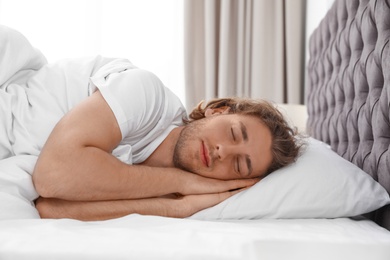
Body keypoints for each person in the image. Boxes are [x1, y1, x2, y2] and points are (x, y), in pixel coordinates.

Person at [1, 26, 301, 221]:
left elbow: (50, 208)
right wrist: (183, 183)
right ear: (217, 110)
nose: (224, 151)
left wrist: (176, 207)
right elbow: (53, 176)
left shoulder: (158, 188)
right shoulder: (147, 93)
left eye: (239, 165)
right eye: (234, 133)